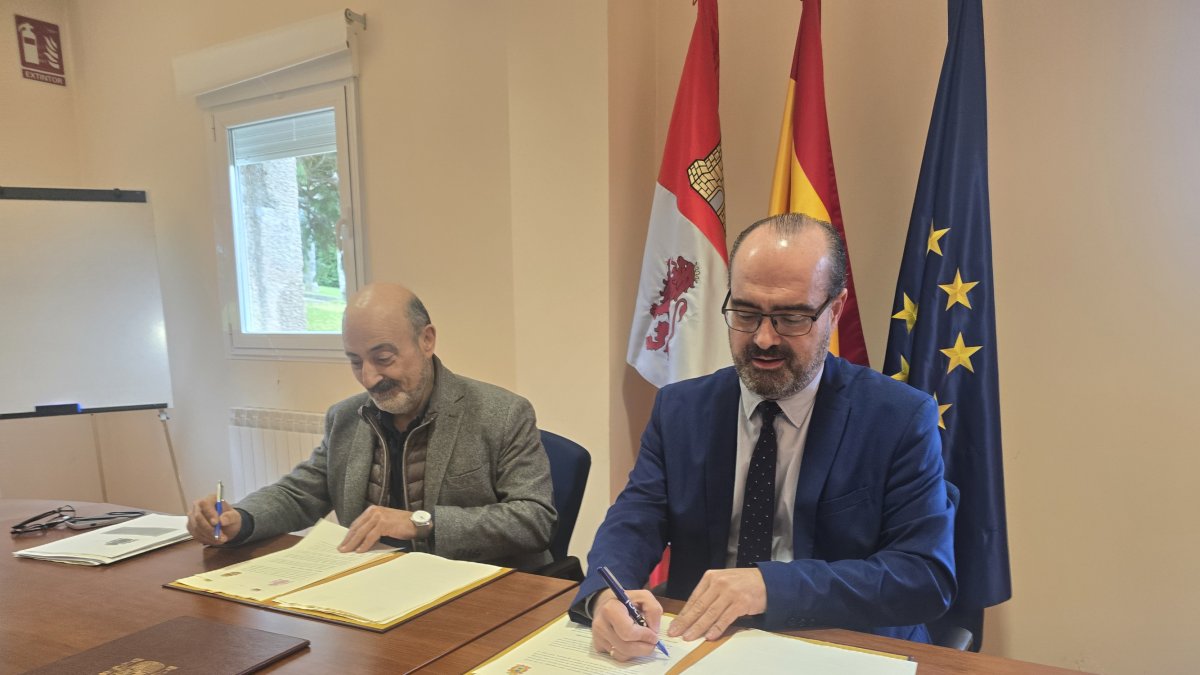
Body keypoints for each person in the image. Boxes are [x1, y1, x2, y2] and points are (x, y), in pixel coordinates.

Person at [572, 213, 955, 660]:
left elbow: (923, 575)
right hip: (699, 644)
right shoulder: (682, 409)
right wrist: (605, 596)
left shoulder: (898, 418)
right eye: (746, 313)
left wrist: (770, 586)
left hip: (840, 646)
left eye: (791, 317)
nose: (764, 339)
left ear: (835, 309)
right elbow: (635, 520)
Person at [186, 283, 557, 570]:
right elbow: (299, 494)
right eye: (354, 361)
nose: (369, 377)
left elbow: (533, 520)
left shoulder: (501, 413)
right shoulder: (346, 418)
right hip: (372, 584)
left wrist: (420, 523)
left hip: (474, 590)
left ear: (426, 340)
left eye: (383, 358)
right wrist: (241, 520)